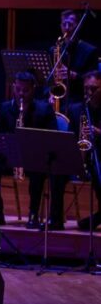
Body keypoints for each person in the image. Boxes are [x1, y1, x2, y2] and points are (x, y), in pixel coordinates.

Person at [0, 71, 67, 230]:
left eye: (25, 90)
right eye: (18, 89)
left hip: (35, 157)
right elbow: (0, 136)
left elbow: (53, 137)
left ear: (33, 89)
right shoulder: (5, 108)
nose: (21, 93)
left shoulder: (44, 109)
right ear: (13, 87)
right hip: (12, 156)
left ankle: (33, 213)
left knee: (37, 171)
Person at [67, 70, 101, 230]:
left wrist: (98, 133)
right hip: (79, 158)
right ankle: (55, 220)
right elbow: (68, 138)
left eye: (94, 89)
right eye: (86, 88)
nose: (89, 92)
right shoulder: (75, 109)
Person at [52, 8, 98, 104]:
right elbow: (48, 80)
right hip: (58, 97)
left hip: (78, 98)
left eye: (71, 24)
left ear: (78, 26)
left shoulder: (90, 51)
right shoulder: (55, 49)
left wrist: (74, 75)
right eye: (64, 24)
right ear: (60, 26)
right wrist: (50, 95)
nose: (67, 28)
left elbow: (94, 81)